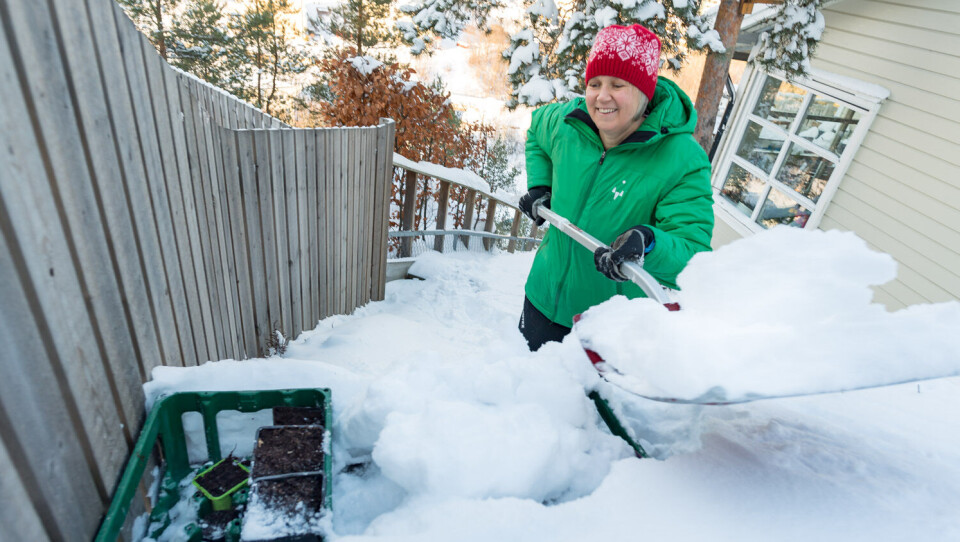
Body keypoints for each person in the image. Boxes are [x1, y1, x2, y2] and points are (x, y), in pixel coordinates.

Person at [517, 23, 714, 351]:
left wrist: (648, 242)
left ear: (644, 92)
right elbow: (537, 130)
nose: (602, 96)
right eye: (594, 83)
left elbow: (692, 256)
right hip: (541, 297)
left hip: (608, 327)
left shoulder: (682, 159)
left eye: (617, 85)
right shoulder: (567, 123)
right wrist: (540, 185)